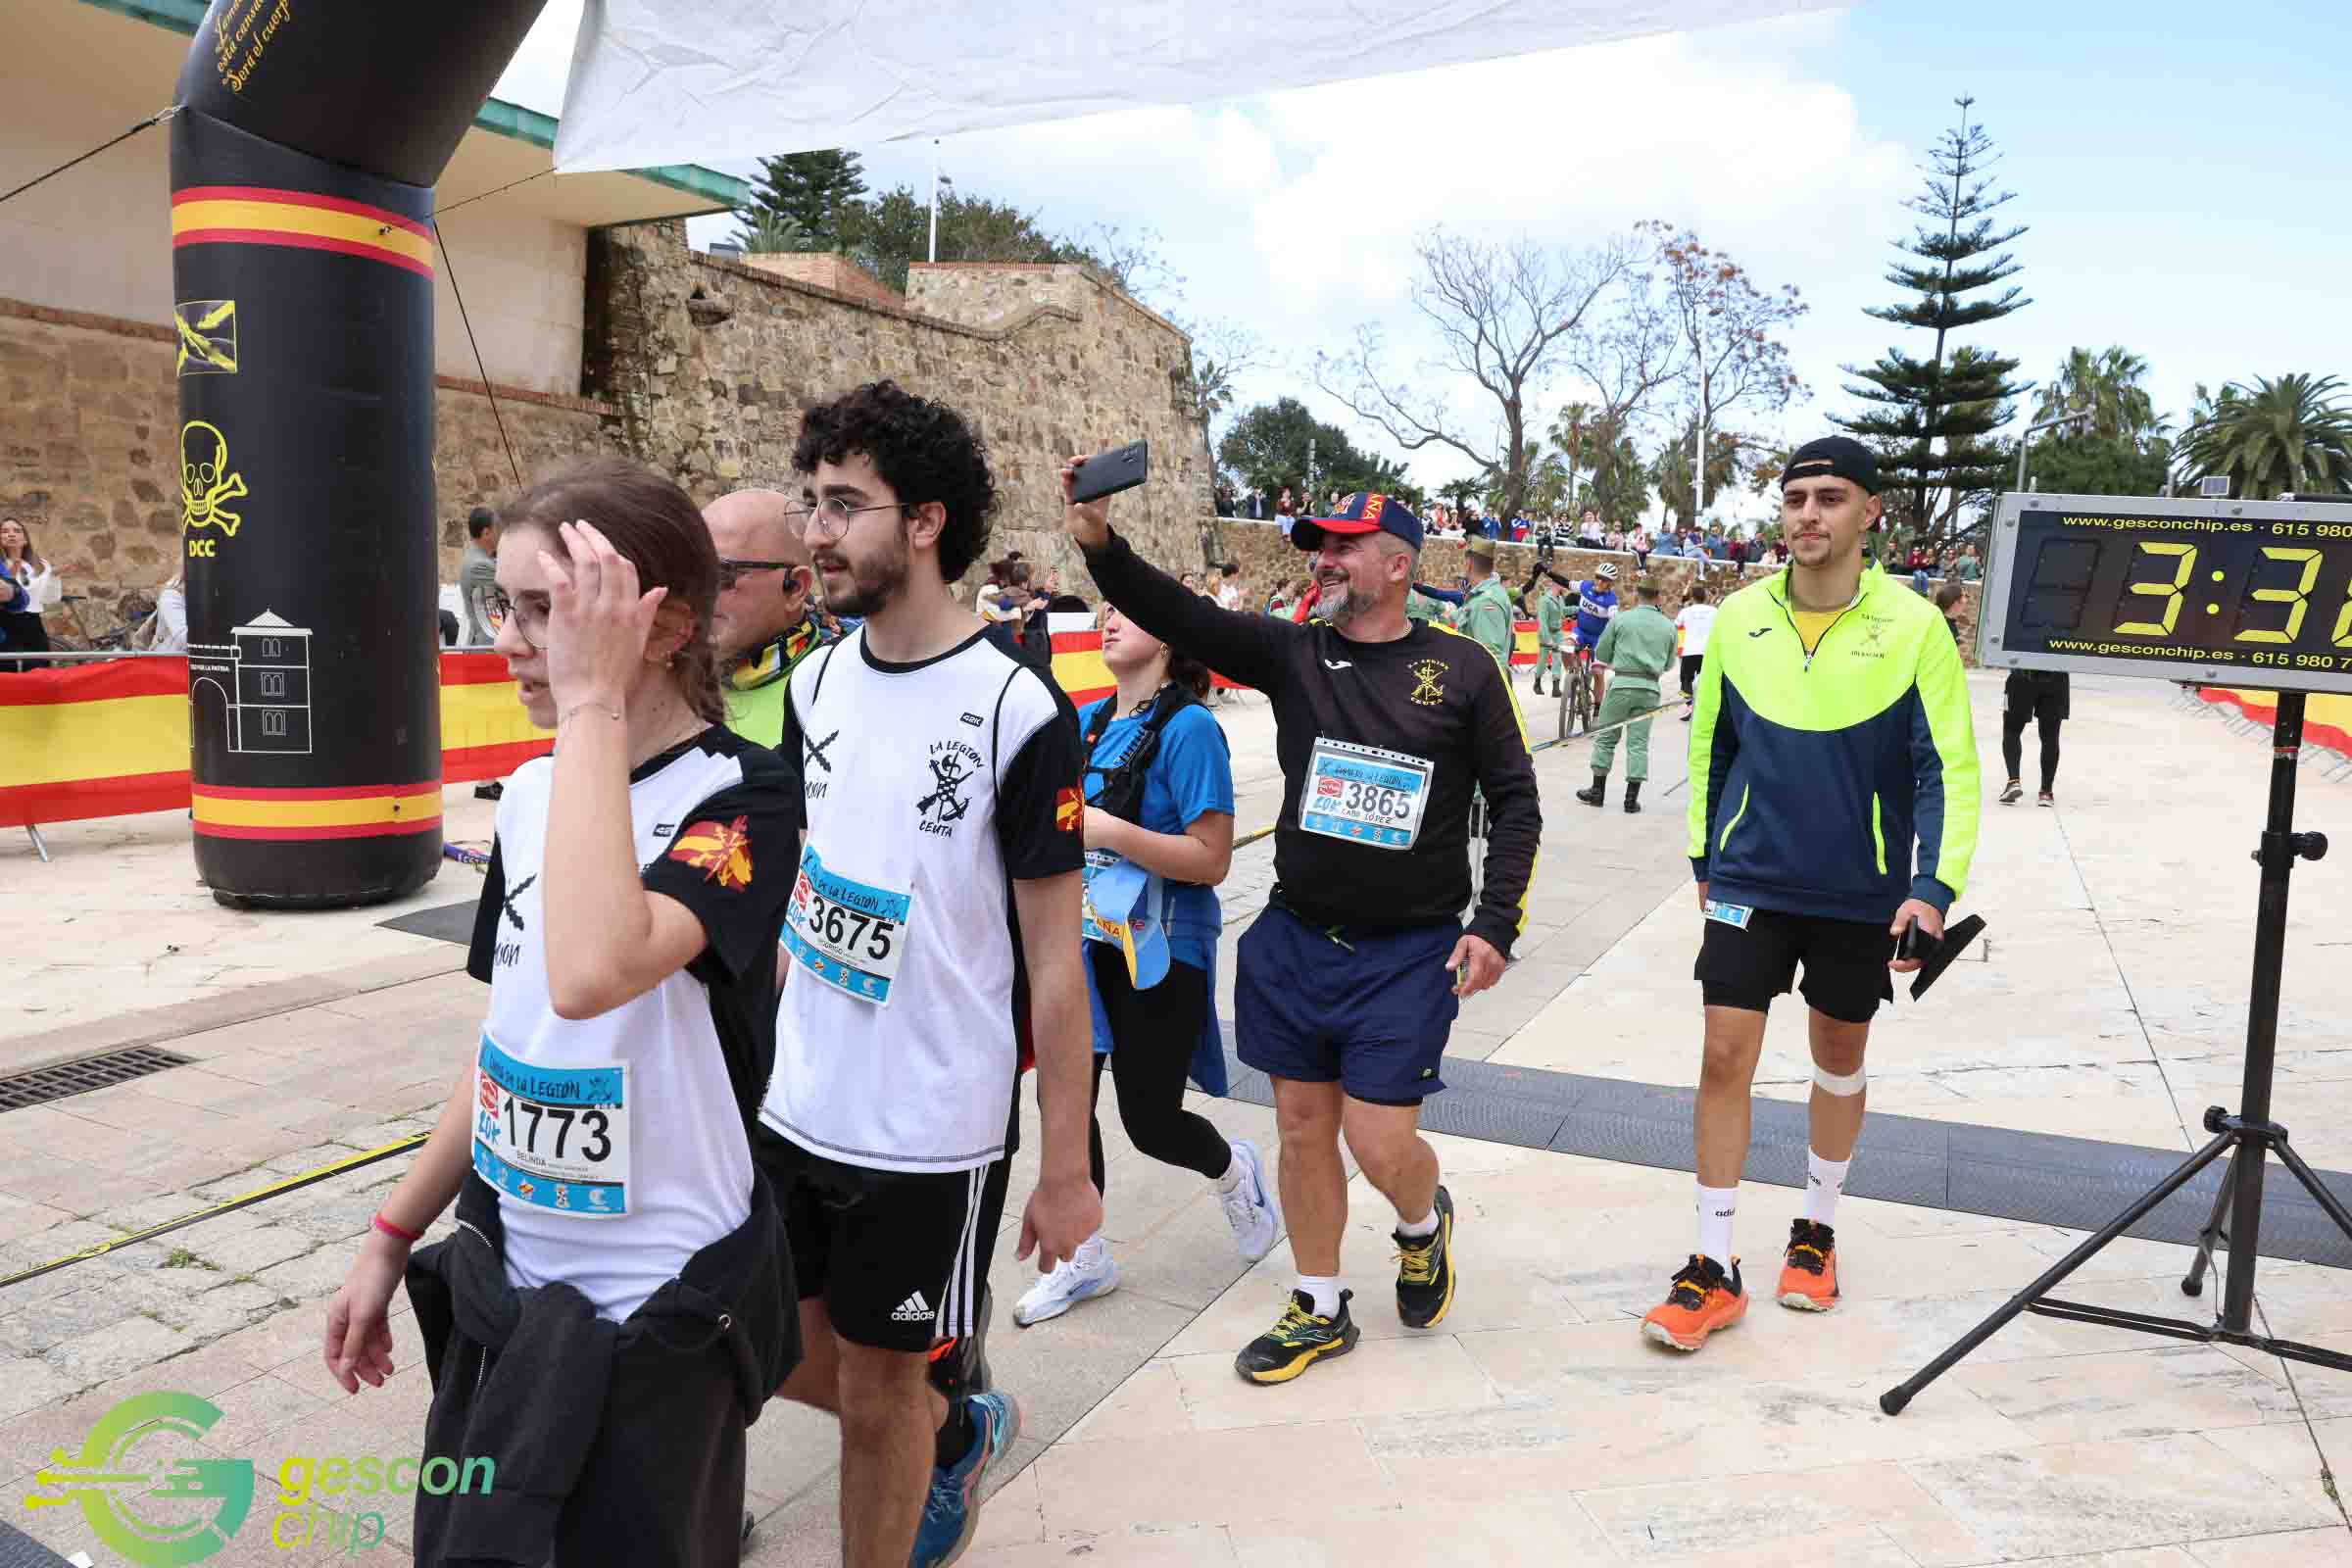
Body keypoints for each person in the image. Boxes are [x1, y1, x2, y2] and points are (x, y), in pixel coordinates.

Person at [320, 457, 799, 1568]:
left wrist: (591, 701)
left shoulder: (745, 796)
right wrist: (391, 1235)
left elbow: (593, 970)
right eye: (505, 605)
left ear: (662, 624)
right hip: (508, 1293)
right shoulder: (533, 793)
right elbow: (516, 1035)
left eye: (547, 609)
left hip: (661, 1318)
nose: (511, 640)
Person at [1066, 482, 1541, 1385]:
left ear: (1398, 565)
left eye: (1344, 547)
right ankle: (1320, 1304)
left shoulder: (1466, 669)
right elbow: (1181, 614)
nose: (1323, 560)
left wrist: (1495, 923)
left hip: (1409, 949)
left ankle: (1421, 1224)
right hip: (1294, 938)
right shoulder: (1294, 652)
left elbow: (1516, 801)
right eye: (1318, 545)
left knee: (1380, 1141)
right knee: (1301, 1127)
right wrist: (1100, 543)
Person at [759, 382, 1098, 1568]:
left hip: (930, 1130)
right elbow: (807, 885)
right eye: (811, 503)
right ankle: (952, 1423)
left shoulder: (1017, 708)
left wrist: (1067, 1166)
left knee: (875, 1394)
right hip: (797, 1102)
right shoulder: (812, 685)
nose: (816, 531)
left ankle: (921, 1434)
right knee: (763, 1345)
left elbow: (1056, 963)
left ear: (924, 521)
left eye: (842, 505)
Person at [1650, 435, 1980, 1351]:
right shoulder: (1739, 616)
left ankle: (1817, 1229)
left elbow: (1947, 770)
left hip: (1858, 892)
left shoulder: (1915, 627)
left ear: (1869, 513)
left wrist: (1932, 888)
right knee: (1724, 1056)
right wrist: (1703, 859)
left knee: (1837, 1056)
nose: (1807, 514)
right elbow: (1712, 745)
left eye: (1829, 498)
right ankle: (1713, 1262)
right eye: (1796, 499)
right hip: (1748, 879)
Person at [1014, 608, 1282, 1326]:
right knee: (1063, 1099)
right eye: (1103, 611)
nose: (1107, 620)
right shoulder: (1087, 721)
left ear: (1166, 633)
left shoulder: (1191, 728)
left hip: (1160, 946)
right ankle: (1084, 1256)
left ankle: (1234, 1170)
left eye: (1124, 611)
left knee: (1151, 1120)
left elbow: (1212, 859)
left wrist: (1111, 831)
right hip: (1079, 941)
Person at [702, 488, 833, 751]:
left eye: (722, 574)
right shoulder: (669, 683)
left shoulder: (834, 695)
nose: (697, 592)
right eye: (691, 570)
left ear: (795, 588)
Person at [1575, 580, 1677, 813]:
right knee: (1638, 744)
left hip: (1622, 684)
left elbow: (1602, 652)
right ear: (1658, 597)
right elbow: (1669, 663)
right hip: (1649, 689)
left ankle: (1597, 791)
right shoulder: (1668, 626)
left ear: (1637, 596)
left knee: (1606, 738)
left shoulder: (1621, 619)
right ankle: (1631, 799)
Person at [2001, 667, 2069, 808]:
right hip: (2056, 677)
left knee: (2011, 730)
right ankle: (2046, 792)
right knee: (2050, 736)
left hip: (2022, 674)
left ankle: (2013, 781)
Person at [0, 517, 58, 669]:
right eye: (4, 531)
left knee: (41, 667)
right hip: (7, 622)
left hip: (33, 622)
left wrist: (54, 577)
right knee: (12, 669)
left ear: (25, 539)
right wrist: (10, 579)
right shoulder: (2, 566)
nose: (11, 534)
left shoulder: (40, 565)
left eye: (17, 531)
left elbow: (50, 597)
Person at [1458, 545, 1516, 682]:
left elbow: (1490, 655)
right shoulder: (1487, 594)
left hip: (1482, 685)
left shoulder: (1486, 600)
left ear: (1469, 564)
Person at [459, 505, 501, 646]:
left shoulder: (481, 558)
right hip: (488, 645)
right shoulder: (480, 565)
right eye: (498, 529)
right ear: (486, 533)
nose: (501, 534)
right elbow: (510, 591)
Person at [1675, 579, 1716, 720]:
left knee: (1686, 680)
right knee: (1705, 680)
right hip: (1708, 652)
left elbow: (1676, 626)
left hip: (1689, 651)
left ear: (1692, 597)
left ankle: (1689, 706)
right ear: (1705, 597)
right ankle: (1703, 708)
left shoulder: (1685, 611)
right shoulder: (1714, 611)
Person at [1531, 572, 1568, 698]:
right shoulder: (1544, 600)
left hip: (1558, 633)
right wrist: (1547, 639)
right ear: (1555, 584)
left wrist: (1579, 609)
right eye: (1562, 584)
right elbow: (1542, 621)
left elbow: (1563, 611)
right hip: (1546, 633)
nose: (1564, 586)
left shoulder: (1560, 599)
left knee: (1558, 659)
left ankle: (1556, 687)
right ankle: (1537, 682)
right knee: (1543, 659)